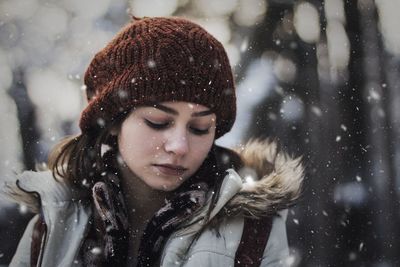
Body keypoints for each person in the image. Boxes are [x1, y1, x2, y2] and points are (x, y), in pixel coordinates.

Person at [5, 17, 303, 266]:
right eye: (157, 122)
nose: (179, 146)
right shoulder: (52, 224)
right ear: (112, 124)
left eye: (200, 128)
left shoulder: (253, 230)